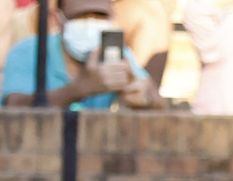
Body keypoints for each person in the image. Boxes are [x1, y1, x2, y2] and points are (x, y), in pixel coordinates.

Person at [1, 0, 159, 109]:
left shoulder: (115, 54)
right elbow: (13, 106)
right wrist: (80, 88)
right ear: (58, 19)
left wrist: (145, 96)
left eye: (99, 16)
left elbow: (157, 102)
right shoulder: (28, 51)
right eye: (81, 17)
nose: (91, 23)